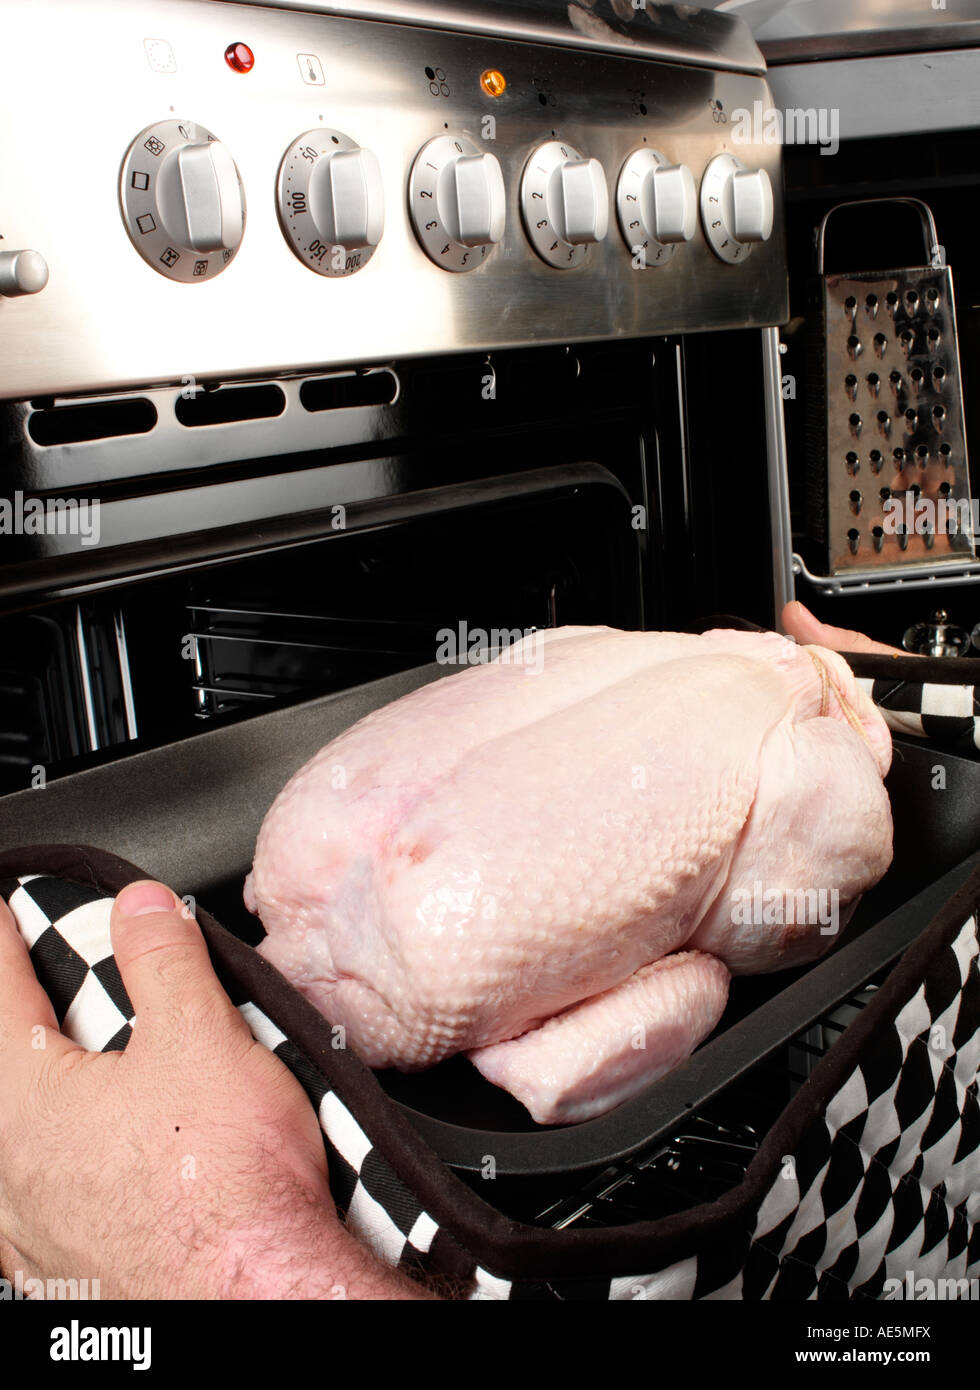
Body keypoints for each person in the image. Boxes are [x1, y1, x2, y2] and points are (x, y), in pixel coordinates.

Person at [0, 602, 902, 1300]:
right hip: (725, 670)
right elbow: (572, 1064)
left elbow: (583, 1063)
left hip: (718, 672)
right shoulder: (341, 899)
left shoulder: (287, 855)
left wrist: (204, 1263)